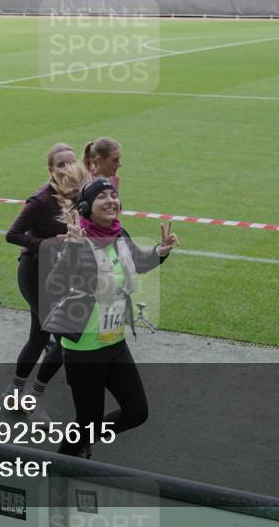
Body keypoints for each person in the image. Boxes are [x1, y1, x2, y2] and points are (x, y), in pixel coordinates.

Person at [43, 178, 178, 458]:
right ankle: (59, 466)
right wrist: (74, 249)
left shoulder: (119, 234)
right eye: (101, 196)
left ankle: (82, 442)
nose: (110, 200)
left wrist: (160, 251)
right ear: (86, 207)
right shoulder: (77, 239)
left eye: (113, 195)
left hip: (115, 342)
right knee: (87, 422)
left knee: (136, 412)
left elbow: (137, 263)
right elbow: (54, 284)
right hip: (84, 349)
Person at [4, 145, 88, 422]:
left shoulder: (76, 193)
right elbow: (12, 234)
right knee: (65, 336)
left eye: (71, 162)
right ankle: (33, 398)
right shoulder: (41, 200)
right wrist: (48, 243)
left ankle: (14, 391)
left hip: (60, 274)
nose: (67, 168)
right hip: (35, 273)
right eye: (60, 164)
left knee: (40, 337)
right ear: (50, 169)